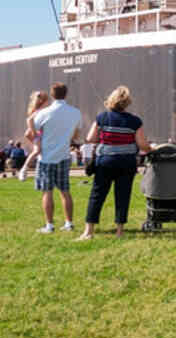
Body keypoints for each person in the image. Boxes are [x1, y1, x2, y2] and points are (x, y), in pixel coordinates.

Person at [78, 85, 151, 241]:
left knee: (97, 195)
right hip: (126, 162)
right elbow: (142, 144)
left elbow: (90, 138)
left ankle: (88, 231)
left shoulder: (102, 118)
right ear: (127, 102)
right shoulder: (135, 121)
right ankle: (119, 231)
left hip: (105, 162)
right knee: (123, 196)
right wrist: (152, 149)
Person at [32, 82, 83, 232]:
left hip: (47, 156)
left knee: (47, 192)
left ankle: (49, 225)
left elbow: (33, 130)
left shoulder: (44, 113)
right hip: (64, 155)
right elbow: (76, 134)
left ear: (52, 95)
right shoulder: (75, 112)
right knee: (65, 191)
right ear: (66, 94)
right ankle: (69, 223)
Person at [18, 91, 50, 181]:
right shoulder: (41, 111)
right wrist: (35, 134)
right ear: (44, 101)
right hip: (39, 135)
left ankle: (39, 174)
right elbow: (29, 120)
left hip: (39, 135)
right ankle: (24, 169)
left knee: (41, 153)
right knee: (37, 151)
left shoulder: (39, 110)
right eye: (47, 101)